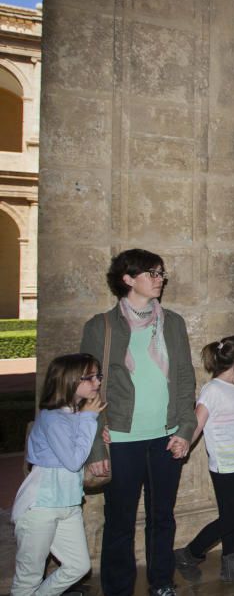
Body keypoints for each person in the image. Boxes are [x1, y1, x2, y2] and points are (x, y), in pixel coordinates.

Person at [81, 248, 197, 596]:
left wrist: (185, 430)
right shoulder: (100, 326)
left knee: (163, 517)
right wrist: (95, 446)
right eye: (152, 273)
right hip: (120, 437)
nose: (159, 279)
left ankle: (161, 582)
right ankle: (118, 589)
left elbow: (185, 378)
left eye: (162, 273)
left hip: (166, 437)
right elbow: (85, 388)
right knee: (120, 521)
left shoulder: (173, 322)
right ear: (127, 279)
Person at [11, 353, 105, 596]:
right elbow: (74, 461)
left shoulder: (73, 415)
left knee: (78, 566)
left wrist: (95, 430)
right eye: (90, 377)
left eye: (98, 376)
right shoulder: (52, 418)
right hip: (40, 506)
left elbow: (78, 449)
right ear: (70, 380)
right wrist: (88, 419)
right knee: (28, 578)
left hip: (69, 504)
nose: (97, 382)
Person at [173, 335, 234, 585]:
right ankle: (189, 553)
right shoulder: (212, 390)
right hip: (225, 466)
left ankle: (231, 566)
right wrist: (184, 442)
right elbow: (197, 423)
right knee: (230, 518)